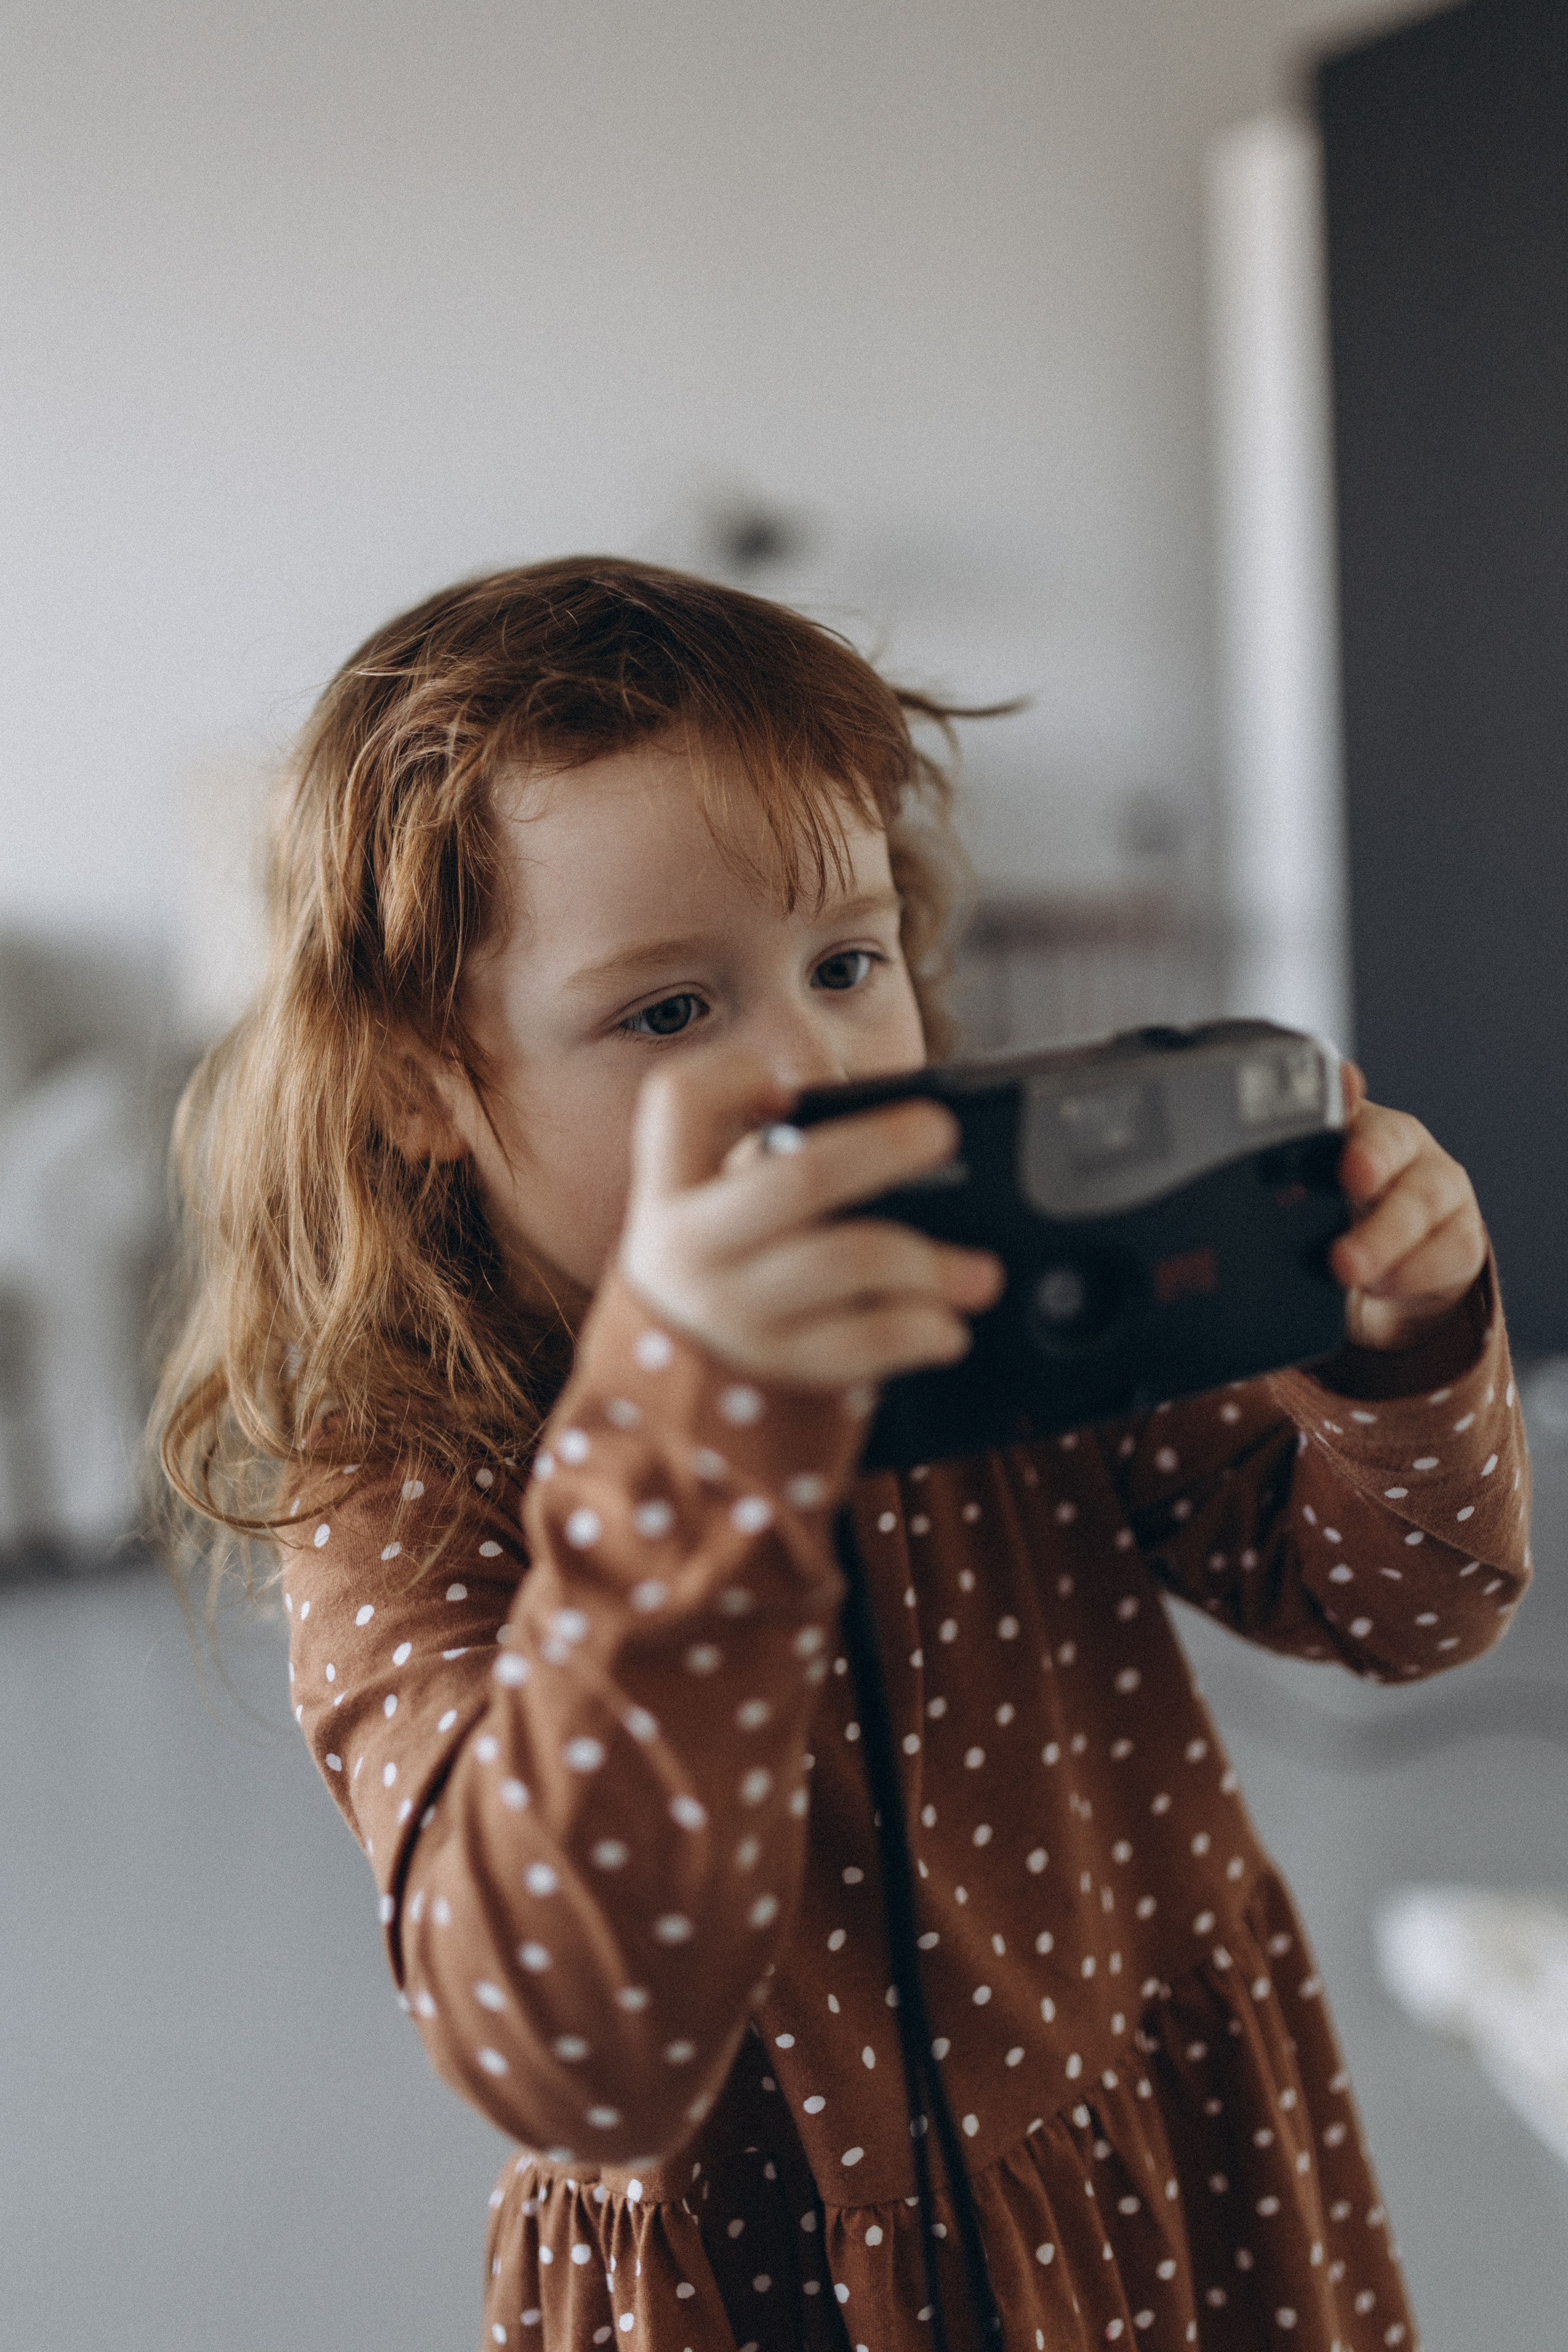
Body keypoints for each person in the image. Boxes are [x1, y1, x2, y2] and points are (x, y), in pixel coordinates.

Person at [154, 557, 1530, 2352]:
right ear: (422, 1080)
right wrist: (692, 1452)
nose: (807, 1074)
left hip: (1158, 2195)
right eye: (667, 1012)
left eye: (845, 962)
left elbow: (1408, 1607)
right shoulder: (401, 1473)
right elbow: (565, 2047)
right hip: (767, 2277)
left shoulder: (997, 1300)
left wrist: (1402, 1349)